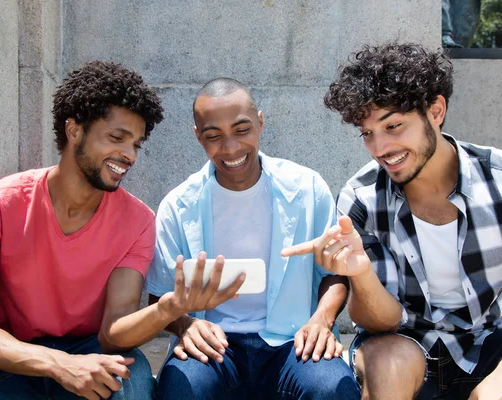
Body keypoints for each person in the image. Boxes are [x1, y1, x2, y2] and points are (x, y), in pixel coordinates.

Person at [284, 43, 502, 399]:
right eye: (368, 133)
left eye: (393, 125)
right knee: (389, 361)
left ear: (436, 111)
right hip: (403, 341)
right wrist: (361, 273)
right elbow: (381, 322)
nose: (380, 147)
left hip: (487, 340)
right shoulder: (361, 197)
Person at [0, 61, 243, 400]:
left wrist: (168, 309)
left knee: (135, 384)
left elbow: (113, 334)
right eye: (116, 138)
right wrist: (56, 363)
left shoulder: (137, 221)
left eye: (136, 144)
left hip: (91, 350)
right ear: (74, 130)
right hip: (8, 353)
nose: (128, 155)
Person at [145, 78, 360, 399]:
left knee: (334, 388)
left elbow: (334, 275)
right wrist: (184, 325)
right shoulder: (178, 205)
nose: (230, 147)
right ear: (197, 137)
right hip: (214, 344)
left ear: (260, 122)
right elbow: (159, 296)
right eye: (213, 136)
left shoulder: (306, 188)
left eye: (241, 129)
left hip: (291, 341)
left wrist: (321, 320)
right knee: (180, 388)